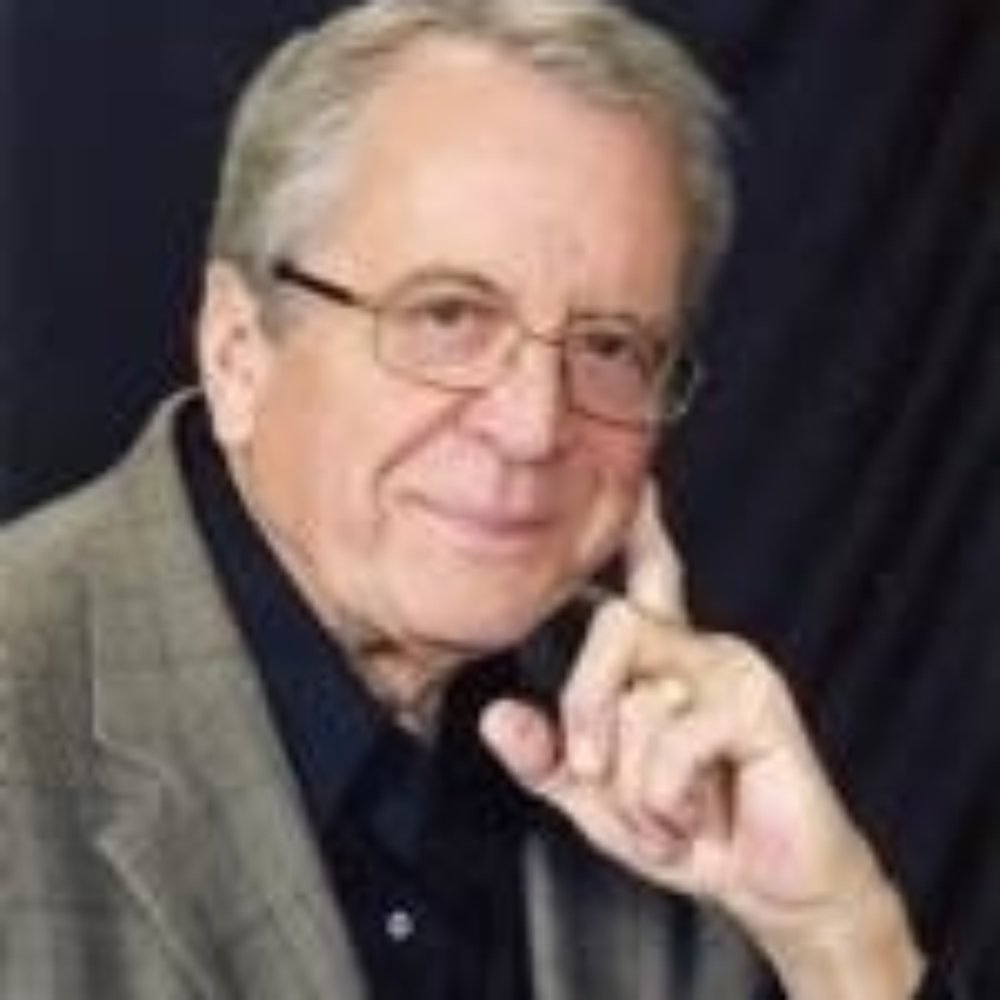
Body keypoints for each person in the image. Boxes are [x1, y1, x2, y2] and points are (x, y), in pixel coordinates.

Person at [0, 0, 954, 996]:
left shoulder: (669, 768)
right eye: (448, 315)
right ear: (240, 352)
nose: (533, 426)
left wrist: (835, 934)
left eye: (609, 346)